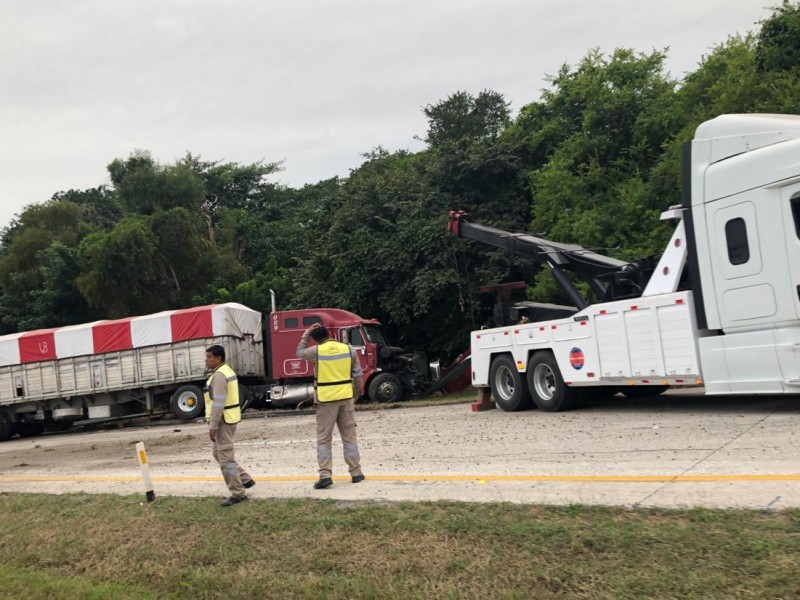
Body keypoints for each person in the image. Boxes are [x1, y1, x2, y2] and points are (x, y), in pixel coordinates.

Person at [296, 323, 365, 489]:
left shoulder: (317, 351)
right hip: (346, 398)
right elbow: (357, 375)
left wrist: (306, 333)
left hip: (326, 401)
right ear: (330, 334)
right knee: (349, 437)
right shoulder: (349, 350)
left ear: (317, 340)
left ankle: (325, 475)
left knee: (324, 439)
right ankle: (356, 472)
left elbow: (299, 353)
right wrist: (354, 395)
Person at [205, 344, 255, 506]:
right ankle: (245, 479)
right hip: (229, 418)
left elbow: (218, 402)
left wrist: (213, 426)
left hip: (223, 421)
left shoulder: (219, 376)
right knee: (217, 453)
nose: (206, 360)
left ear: (218, 358)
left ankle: (237, 492)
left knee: (225, 457)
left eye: (209, 357)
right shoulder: (226, 370)